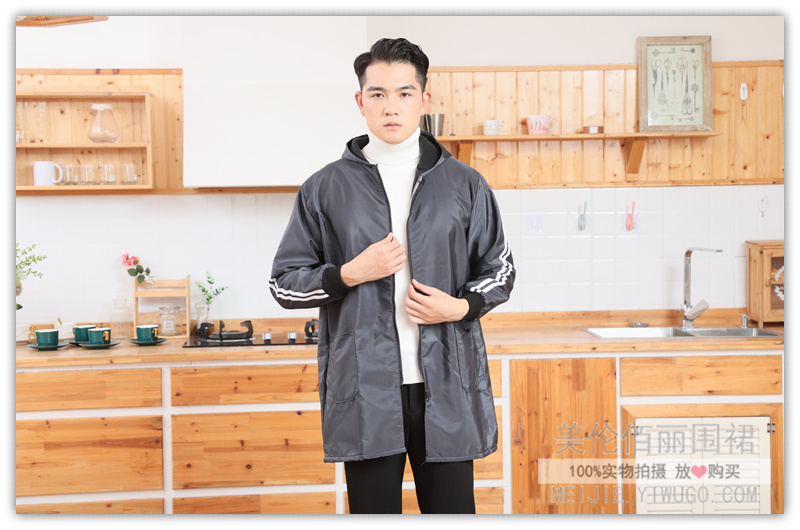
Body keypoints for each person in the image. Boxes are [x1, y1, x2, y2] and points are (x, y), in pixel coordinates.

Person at [270, 37, 515, 514]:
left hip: (446, 382)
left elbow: (500, 269)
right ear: (360, 101)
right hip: (365, 388)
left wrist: (460, 306)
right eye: (377, 94)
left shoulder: (464, 184)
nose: (391, 106)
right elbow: (283, 282)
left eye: (404, 93)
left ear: (424, 99)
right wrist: (347, 274)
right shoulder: (324, 188)